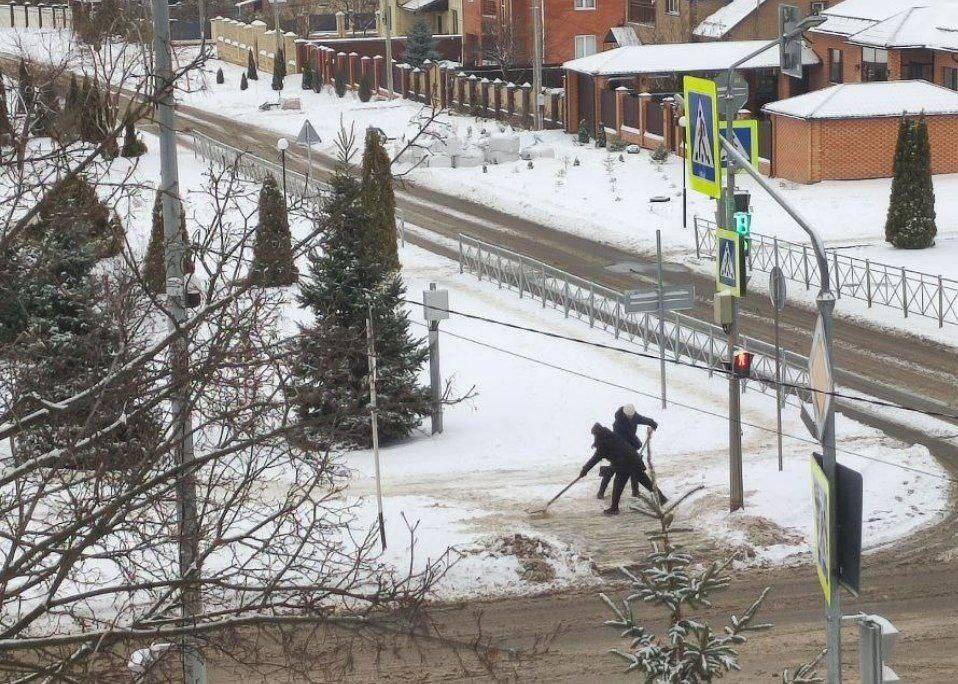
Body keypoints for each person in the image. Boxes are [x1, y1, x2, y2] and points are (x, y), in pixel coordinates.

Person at [580, 423, 666, 516]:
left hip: (625, 465)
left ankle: (614, 508)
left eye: (595, 435)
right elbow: (602, 449)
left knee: (618, 485)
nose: (595, 437)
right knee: (646, 482)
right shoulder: (611, 436)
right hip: (634, 460)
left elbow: (595, 459)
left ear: (598, 435)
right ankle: (662, 498)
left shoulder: (603, 444)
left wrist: (584, 470)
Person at [597, 404, 658, 499]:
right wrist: (634, 446)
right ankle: (601, 492)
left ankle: (635, 491)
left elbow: (643, 419)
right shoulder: (618, 424)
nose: (631, 417)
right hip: (620, 450)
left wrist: (653, 423)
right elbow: (621, 440)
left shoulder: (634, 416)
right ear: (625, 414)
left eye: (632, 416)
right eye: (629, 416)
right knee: (613, 469)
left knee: (634, 468)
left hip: (631, 446)